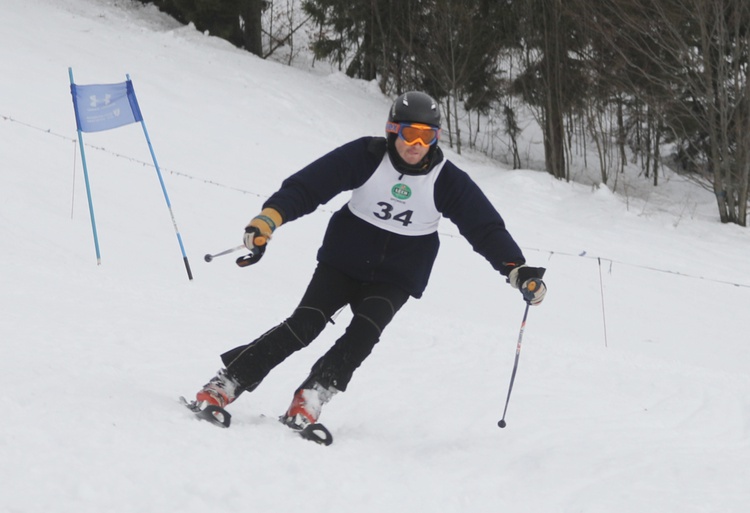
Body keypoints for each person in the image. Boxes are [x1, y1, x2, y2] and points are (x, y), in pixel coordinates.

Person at [191, 91, 547, 431]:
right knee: (304, 325)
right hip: (344, 260)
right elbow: (309, 187)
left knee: (363, 334)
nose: (416, 145)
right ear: (392, 131)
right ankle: (226, 383)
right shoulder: (365, 155)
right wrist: (269, 218)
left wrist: (516, 270)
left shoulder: (448, 180)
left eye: (426, 136)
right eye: (409, 134)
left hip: (397, 274)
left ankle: (312, 396)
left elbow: (484, 228)